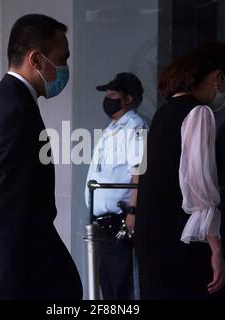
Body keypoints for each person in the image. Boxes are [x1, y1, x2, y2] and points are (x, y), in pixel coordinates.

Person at [0, 14, 83, 300]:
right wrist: (5, 288)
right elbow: (5, 211)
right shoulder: (16, 112)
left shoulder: (0, 101)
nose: (64, 68)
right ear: (36, 60)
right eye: (62, 59)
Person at [135, 42, 225, 299]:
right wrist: (215, 248)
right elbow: (198, 184)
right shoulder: (199, 113)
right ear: (217, 77)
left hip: (151, 237)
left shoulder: (163, 112)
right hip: (180, 239)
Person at [85, 73, 148, 300]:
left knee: (124, 290)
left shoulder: (135, 126)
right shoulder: (113, 128)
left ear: (128, 99)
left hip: (121, 223)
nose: (108, 99)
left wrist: (133, 211)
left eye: (113, 94)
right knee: (109, 291)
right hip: (104, 226)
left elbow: (139, 170)